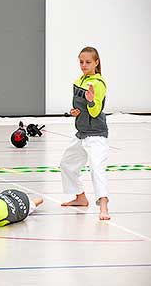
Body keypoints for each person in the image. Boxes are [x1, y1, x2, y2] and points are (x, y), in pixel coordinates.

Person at [60, 46, 110, 220]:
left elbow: (95, 112)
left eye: (88, 62)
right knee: (66, 164)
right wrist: (75, 111)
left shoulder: (98, 83)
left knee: (96, 168)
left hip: (96, 134)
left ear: (96, 62)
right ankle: (80, 197)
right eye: (81, 62)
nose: (83, 65)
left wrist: (90, 102)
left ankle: (103, 207)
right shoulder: (79, 80)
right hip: (81, 132)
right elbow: (79, 107)